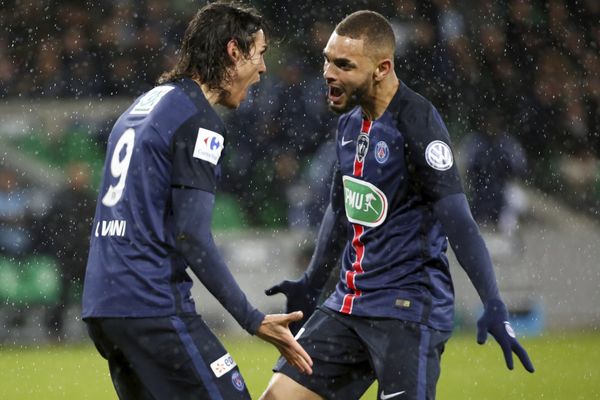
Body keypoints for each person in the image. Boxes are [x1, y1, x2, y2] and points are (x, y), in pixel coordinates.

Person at [261, 10, 534, 400]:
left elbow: (458, 220)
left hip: (408, 309)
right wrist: (310, 282)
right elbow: (340, 212)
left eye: (343, 64)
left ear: (381, 68)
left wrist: (493, 301)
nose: (328, 72)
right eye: (327, 59)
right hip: (348, 305)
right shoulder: (348, 125)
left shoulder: (418, 122)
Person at [81, 3, 312, 400]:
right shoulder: (198, 120)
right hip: (151, 304)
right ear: (233, 52)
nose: (263, 69)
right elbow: (191, 235)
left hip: (105, 305)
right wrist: (252, 319)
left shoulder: (143, 106)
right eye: (260, 53)